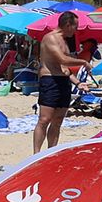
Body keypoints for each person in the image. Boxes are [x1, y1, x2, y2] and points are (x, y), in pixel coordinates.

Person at [34, 11, 80, 153]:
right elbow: (63, 60)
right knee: (44, 119)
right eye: (75, 26)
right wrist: (84, 62)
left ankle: (51, 152)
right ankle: (36, 154)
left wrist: (77, 82)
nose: (76, 30)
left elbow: (64, 67)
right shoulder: (50, 38)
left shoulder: (65, 41)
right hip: (50, 80)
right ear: (68, 24)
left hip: (63, 81)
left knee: (58, 120)